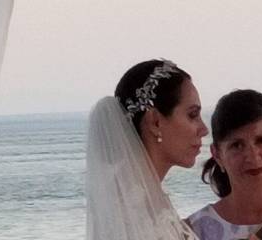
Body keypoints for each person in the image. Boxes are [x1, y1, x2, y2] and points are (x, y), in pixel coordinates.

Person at [85, 59, 209, 240]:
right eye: (192, 115)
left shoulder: (142, 196)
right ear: (155, 122)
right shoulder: (133, 207)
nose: (204, 129)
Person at [187, 89, 262, 240]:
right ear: (217, 155)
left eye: (261, 140)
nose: (253, 156)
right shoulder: (194, 231)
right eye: (237, 145)